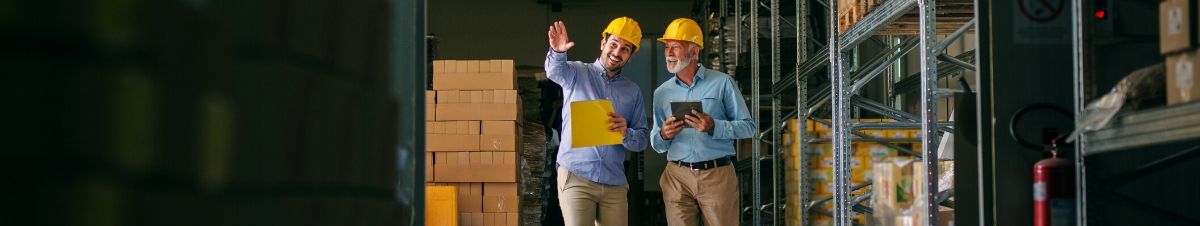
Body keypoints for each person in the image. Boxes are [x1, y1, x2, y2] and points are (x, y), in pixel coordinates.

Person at [650, 18, 757, 226]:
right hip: (677, 178)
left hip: (717, 176)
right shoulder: (661, 93)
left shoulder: (722, 83)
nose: (669, 53)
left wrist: (714, 126)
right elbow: (657, 144)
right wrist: (664, 134)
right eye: (667, 47)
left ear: (695, 51)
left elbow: (748, 127)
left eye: (676, 47)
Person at [545, 17, 650, 226]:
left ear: (630, 57)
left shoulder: (633, 91)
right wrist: (557, 53)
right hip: (577, 176)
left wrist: (626, 133)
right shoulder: (576, 72)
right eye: (613, 44)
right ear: (603, 44)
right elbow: (554, 72)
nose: (617, 52)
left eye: (625, 49)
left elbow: (642, 139)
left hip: (614, 183)